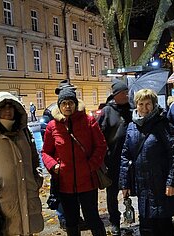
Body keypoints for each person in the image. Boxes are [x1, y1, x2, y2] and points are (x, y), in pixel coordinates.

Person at [0, 91, 44, 235]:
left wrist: (37, 179)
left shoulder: (25, 132)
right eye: (3, 107)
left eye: (11, 107)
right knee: (7, 230)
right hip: (2, 199)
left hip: (28, 193)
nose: (8, 111)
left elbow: (34, 159)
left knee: (27, 229)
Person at [42, 86, 108, 235]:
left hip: (87, 182)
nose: (67, 106)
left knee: (93, 218)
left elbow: (101, 145)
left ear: (75, 104)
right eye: (64, 103)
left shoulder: (88, 121)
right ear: (59, 105)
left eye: (70, 102)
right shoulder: (52, 126)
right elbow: (46, 152)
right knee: (71, 221)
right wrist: (54, 166)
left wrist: (91, 166)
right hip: (65, 184)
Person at [120, 89, 174, 235]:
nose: (144, 108)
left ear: (154, 105)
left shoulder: (164, 125)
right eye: (141, 104)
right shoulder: (131, 127)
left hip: (161, 184)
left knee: (164, 226)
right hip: (142, 186)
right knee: (146, 227)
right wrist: (124, 184)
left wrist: (172, 182)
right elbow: (125, 156)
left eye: (148, 104)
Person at [97, 79, 132, 235]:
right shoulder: (107, 111)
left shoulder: (131, 109)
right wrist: (103, 159)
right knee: (112, 194)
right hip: (113, 161)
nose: (127, 95)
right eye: (124, 93)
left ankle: (132, 214)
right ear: (116, 94)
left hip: (131, 160)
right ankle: (115, 222)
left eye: (127, 92)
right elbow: (98, 136)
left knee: (131, 188)